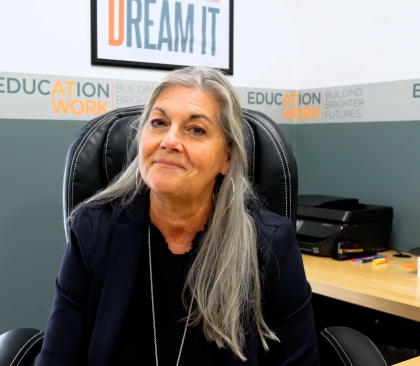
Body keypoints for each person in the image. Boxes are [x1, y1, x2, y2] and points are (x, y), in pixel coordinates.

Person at [37, 66, 319, 365]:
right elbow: (58, 357)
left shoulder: (271, 242)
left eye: (196, 130)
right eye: (158, 122)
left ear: (227, 157)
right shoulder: (94, 229)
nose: (169, 141)